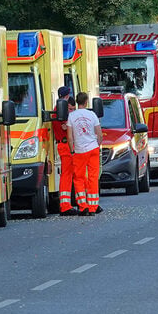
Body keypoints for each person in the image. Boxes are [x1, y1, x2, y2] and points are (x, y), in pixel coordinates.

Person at [67, 91, 103, 216]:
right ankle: (93, 206)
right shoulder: (92, 114)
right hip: (93, 148)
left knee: (79, 178)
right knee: (93, 177)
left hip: (79, 150)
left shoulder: (72, 116)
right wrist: (97, 145)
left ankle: (83, 206)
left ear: (77, 102)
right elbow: (99, 133)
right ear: (86, 101)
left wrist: (72, 149)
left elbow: (70, 136)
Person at [53, 86, 77, 215]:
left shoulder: (59, 108)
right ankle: (65, 205)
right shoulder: (61, 109)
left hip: (67, 145)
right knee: (67, 176)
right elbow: (66, 126)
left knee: (71, 175)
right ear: (66, 96)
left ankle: (71, 203)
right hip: (65, 145)